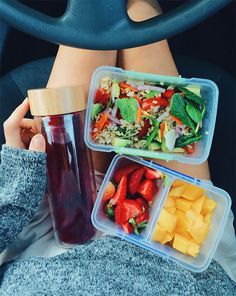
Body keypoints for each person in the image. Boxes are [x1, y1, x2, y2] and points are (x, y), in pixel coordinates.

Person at [0, 0, 235, 295]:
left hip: (53, 231)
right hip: (183, 248)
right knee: (138, 13)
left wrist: (19, 180)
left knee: (96, 12)